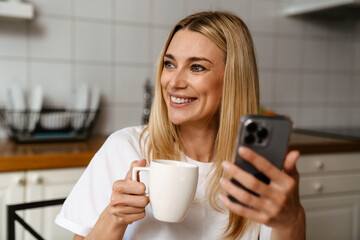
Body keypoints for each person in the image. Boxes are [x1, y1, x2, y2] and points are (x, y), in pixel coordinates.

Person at [55, 11, 306, 240]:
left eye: (196, 67)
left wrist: (290, 222)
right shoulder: (126, 148)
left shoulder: (255, 167)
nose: (174, 82)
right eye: (169, 64)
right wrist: (114, 217)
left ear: (233, 79)